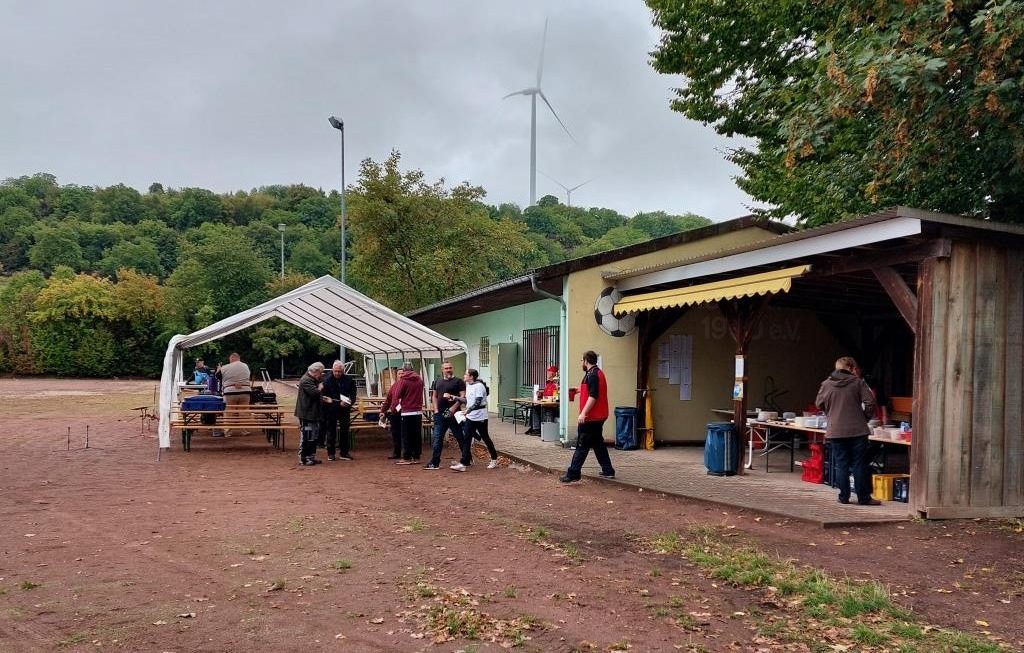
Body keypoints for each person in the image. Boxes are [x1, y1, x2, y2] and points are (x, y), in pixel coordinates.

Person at [816, 356, 881, 505]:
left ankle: (843, 497)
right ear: (851, 368)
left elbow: (819, 403)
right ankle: (863, 498)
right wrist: (864, 418)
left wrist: (831, 414)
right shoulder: (858, 383)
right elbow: (870, 402)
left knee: (841, 464)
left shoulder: (826, 384)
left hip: (835, 430)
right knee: (859, 464)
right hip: (858, 430)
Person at [560, 351, 615, 483]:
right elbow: (592, 389)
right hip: (599, 415)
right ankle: (608, 470)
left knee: (582, 444)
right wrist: (578, 390)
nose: (581, 363)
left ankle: (573, 473)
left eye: (582, 360)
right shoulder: (596, 373)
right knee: (598, 443)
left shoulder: (592, 375)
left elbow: (593, 396)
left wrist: (583, 413)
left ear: (586, 361)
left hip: (591, 417)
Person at [450, 369, 499, 472]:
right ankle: (463, 463)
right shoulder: (469, 386)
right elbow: (468, 401)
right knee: (466, 438)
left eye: (466, 374)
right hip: (471, 416)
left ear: (471, 376)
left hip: (480, 417)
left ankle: (494, 458)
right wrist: (455, 397)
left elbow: (478, 402)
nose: (464, 376)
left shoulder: (479, 386)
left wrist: (468, 410)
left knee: (485, 437)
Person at [425, 360, 465, 470]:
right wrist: (435, 409)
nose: (448, 370)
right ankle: (435, 462)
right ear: (442, 370)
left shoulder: (458, 381)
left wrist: (453, 408)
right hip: (440, 414)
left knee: (460, 437)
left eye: (450, 368)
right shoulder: (437, 381)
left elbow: (463, 397)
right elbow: (434, 396)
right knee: (437, 437)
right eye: (446, 368)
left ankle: (467, 458)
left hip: (454, 414)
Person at [385, 361, 424, 465]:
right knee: (416, 435)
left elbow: (397, 395)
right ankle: (416, 456)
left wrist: (394, 409)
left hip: (406, 411)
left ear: (404, 369)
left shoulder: (403, 380)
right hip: (418, 411)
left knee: (406, 435)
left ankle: (407, 457)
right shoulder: (420, 380)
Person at [321, 360, 356, 461]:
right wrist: (336, 403)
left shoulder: (349, 380)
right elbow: (324, 397)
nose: (337, 373)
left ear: (343, 371)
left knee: (345, 430)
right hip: (331, 409)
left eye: (339, 371)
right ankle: (331, 453)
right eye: (335, 371)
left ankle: (344, 452)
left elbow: (353, 394)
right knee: (331, 431)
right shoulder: (326, 380)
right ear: (332, 370)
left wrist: (350, 402)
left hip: (345, 410)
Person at [294, 362, 325, 466]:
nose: (321, 375)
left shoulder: (313, 379)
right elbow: (314, 393)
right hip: (306, 414)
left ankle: (311, 457)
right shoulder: (306, 380)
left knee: (313, 436)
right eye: (320, 373)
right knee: (306, 436)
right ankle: (303, 458)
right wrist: (320, 388)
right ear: (316, 371)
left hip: (313, 413)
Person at [218, 353, 251, 436]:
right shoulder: (245, 366)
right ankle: (244, 431)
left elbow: (217, 376)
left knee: (229, 412)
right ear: (239, 358)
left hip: (230, 391)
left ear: (231, 359)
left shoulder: (225, 367)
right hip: (245, 391)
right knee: (244, 411)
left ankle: (228, 432)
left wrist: (219, 369)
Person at [525, 365, 559, 435]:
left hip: (552, 405)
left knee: (541, 409)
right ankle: (534, 428)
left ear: (553, 373)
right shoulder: (548, 383)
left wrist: (545, 397)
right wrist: (540, 394)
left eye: (549, 372)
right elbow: (545, 394)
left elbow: (554, 396)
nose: (547, 373)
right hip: (546, 403)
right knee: (534, 408)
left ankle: (538, 429)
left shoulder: (556, 384)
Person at [382, 376, 404, 460]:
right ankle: (396, 452)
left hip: (405, 412)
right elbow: (388, 400)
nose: (401, 375)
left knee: (405, 433)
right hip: (395, 413)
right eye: (399, 373)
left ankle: (408, 453)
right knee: (395, 433)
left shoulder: (408, 385)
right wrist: (383, 411)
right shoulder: (394, 386)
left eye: (402, 373)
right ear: (397, 376)